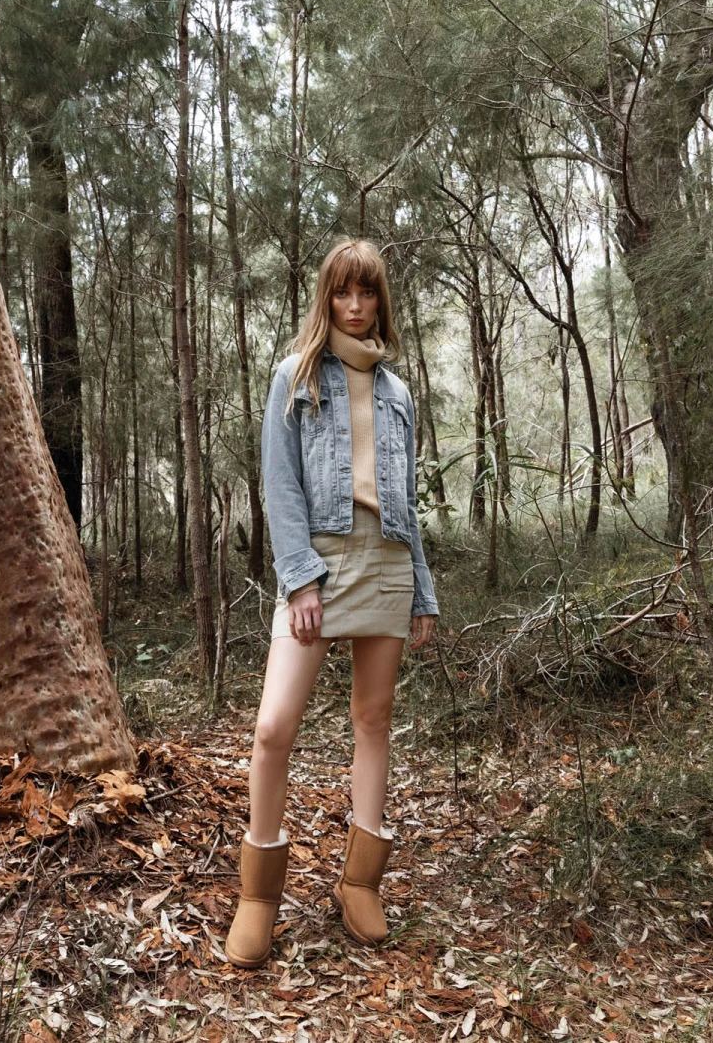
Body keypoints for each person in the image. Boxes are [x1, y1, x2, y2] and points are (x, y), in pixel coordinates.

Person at [224, 238, 439, 969]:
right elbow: (279, 484)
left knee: (373, 720)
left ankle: (360, 882)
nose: (354, 305)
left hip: (387, 562)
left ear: (380, 300)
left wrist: (422, 590)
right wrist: (300, 580)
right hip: (319, 562)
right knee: (272, 728)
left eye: (366, 292)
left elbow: (407, 500)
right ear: (326, 297)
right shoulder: (295, 376)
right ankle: (259, 896)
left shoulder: (398, 392)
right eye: (342, 292)